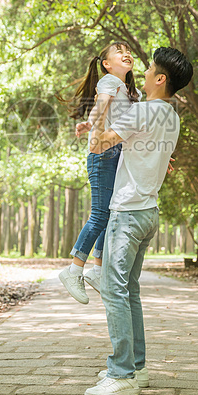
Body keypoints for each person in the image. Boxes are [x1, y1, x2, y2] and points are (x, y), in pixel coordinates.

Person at [83, 46, 193, 395]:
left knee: (114, 290)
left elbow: (99, 145)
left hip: (128, 214)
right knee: (128, 291)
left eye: (149, 70)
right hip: (149, 213)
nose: (142, 74)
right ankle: (138, 368)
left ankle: (122, 374)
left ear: (160, 79)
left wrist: (100, 108)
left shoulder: (141, 113)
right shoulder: (171, 116)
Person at [59, 41, 142, 304]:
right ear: (106, 64)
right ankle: (74, 270)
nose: (126, 54)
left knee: (110, 213)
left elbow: (136, 128)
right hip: (102, 155)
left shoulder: (133, 92)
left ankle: (97, 270)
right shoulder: (109, 81)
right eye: (119, 51)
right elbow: (101, 106)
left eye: (128, 50)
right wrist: (90, 122)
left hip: (118, 156)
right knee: (99, 215)